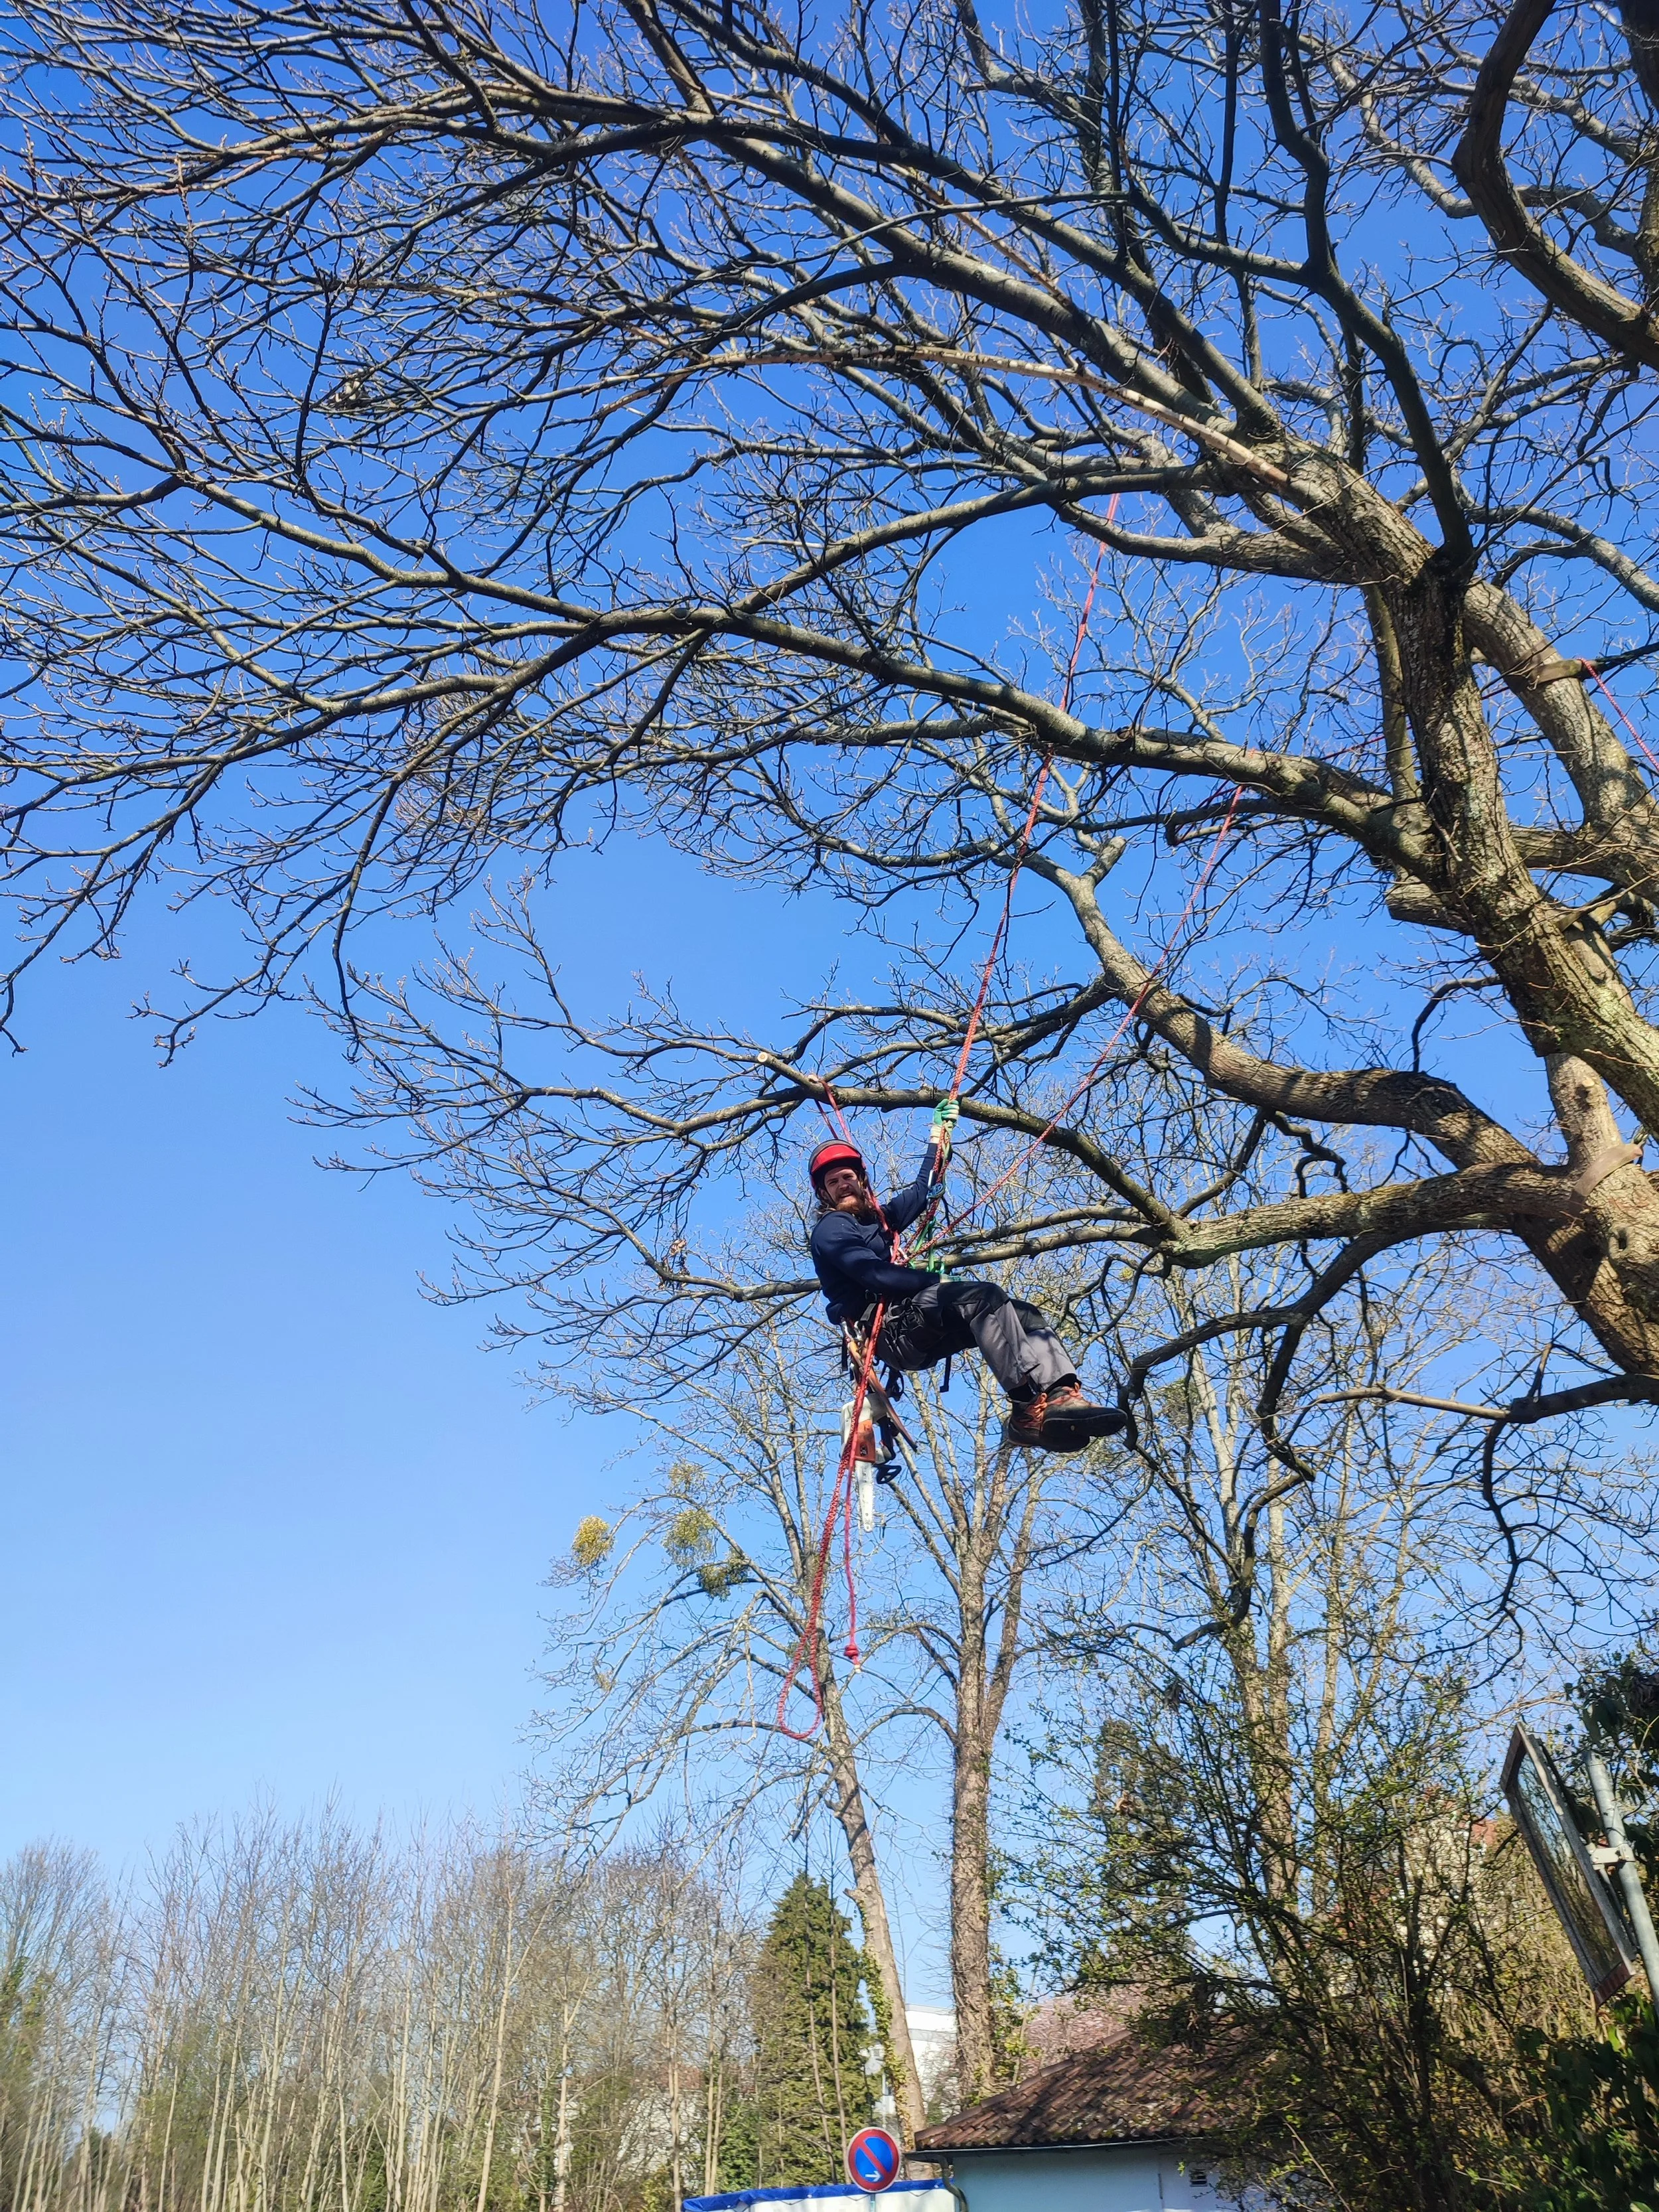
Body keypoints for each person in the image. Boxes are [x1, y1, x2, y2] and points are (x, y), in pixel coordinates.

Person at [807, 1102, 1127, 1452]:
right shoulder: (831, 1229)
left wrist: (938, 1138)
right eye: (833, 1182)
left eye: (848, 1177)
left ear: (862, 1181)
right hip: (892, 1333)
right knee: (982, 1298)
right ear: (824, 1193)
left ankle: (1060, 1394)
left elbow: (922, 1189)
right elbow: (872, 1274)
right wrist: (932, 1283)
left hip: (916, 1325)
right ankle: (1024, 1407)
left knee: (1023, 1314)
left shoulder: (879, 1222)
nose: (842, 1185)